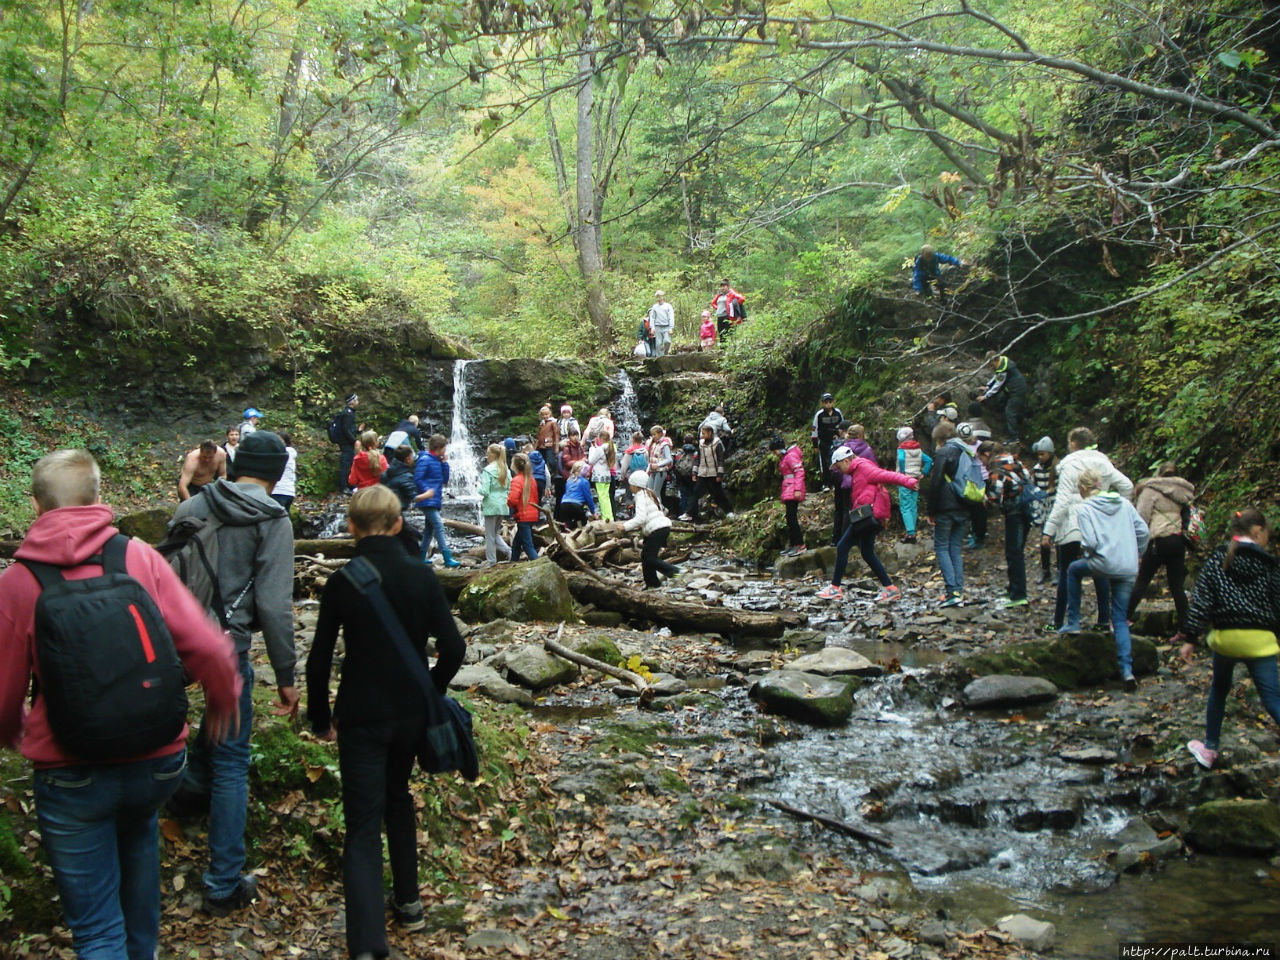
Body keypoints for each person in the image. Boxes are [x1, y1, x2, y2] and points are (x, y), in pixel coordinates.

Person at [0, 450, 240, 960]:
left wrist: (15, 731)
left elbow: (4, 690)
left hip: (70, 768)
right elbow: (210, 644)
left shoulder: (18, 583)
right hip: (155, 758)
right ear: (98, 496)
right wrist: (222, 701)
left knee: (95, 931)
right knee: (138, 850)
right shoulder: (137, 557)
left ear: (36, 505)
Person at [306, 485, 465, 960]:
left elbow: (318, 660)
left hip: (361, 715)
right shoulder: (421, 575)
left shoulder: (342, 581)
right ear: (398, 524)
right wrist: (431, 689)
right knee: (398, 797)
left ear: (352, 528)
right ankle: (410, 904)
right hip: (411, 715)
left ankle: (368, 944)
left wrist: (320, 719)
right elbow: (454, 649)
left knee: (360, 824)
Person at [169, 431, 297, 915]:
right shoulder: (272, 517)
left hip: (177, 647)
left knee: (213, 744)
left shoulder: (191, 508)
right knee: (232, 762)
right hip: (228, 650)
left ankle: (187, 791)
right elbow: (274, 604)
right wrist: (286, 674)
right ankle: (223, 882)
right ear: (278, 470)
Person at [1181, 508, 1280, 770]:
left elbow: (1202, 599)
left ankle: (1210, 748)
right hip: (1261, 641)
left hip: (1226, 639)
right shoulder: (1270, 565)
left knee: (1219, 689)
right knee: (1272, 699)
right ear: (1257, 532)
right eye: (1266, 535)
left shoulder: (1218, 559)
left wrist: (1191, 637)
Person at [1060, 470, 1150, 690]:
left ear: (1082, 489)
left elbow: (1089, 542)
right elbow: (1144, 532)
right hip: (1128, 566)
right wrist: (1135, 553)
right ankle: (1127, 671)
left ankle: (1073, 622)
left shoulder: (1085, 508)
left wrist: (1092, 555)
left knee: (1073, 570)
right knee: (1119, 620)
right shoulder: (1124, 503)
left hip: (1103, 563)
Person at [1042, 426, 1134, 631]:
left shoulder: (1068, 465)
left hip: (1072, 525)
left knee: (1066, 570)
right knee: (1099, 571)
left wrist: (1049, 530)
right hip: (1099, 522)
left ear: (1073, 444)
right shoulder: (1104, 463)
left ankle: (1059, 621)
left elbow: (1063, 500)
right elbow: (1127, 486)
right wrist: (1117, 509)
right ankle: (1103, 620)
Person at [816, 447, 918, 603]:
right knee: (867, 552)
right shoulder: (857, 471)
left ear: (846, 460)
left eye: (838, 467)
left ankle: (835, 588)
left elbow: (887, 475)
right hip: (869, 517)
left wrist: (908, 481)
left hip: (866, 517)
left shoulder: (864, 468)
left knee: (842, 546)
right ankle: (890, 589)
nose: (839, 471)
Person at [1128, 462, 1195, 639]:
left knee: (1142, 581)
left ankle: (1122, 619)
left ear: (1159, 474)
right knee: (1177, 587)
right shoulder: (1183, 492)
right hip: (1178, 541)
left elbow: (1141, 518)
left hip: (1159, 540)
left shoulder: (1151, 490)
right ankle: (1184, 629)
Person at [927, 421, 973, 607]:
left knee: (942, 547)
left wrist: (931, 511)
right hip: (965, 505)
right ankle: (958, 591)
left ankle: (951, 591)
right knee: (955, 548)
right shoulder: (967, 451)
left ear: (940, 439)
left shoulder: (943, 452)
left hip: (946, 507)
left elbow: (936, 482)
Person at [991, 446, 1036, 608]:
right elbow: (1030, 480)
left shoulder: (997, 469)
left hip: (1014, 513)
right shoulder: (1018, 464)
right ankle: (1012, 588)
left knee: (1014, 553)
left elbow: (994, 495)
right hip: (1028, 509)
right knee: (1017, 550)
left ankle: (1018, 594)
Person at [619, 471, 679, 588]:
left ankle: (674, 572)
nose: (630, 487)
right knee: (645, 557)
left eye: (630, 485)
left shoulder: (640, 496)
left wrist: (625, 526)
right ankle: (652, 584)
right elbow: (663, 510)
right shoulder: (650, 493)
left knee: (649, 558)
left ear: (636, 486)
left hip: (657, 530)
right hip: (661, 527)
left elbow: (640, 518)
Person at [413, 434, 458, 568]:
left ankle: (421, 557)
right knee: (438, 525)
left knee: (429, 529)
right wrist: (427, 491)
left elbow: (445, 480)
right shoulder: (425, 460)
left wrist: (445, 463)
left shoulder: (438, 460)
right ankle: (447, 557)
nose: (446, 450)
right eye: (445, 447)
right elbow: (418, 478)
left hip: (435, 499)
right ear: (439, 447)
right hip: (427, 500)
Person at [976, 355, 1030, 442]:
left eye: (991, 364)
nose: (991, 367)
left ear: (995, 361)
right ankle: (1009, 425)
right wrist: (988, 386)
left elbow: (998, 385)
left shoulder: (1004, 369)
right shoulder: (1002, 363)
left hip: (1017, 391)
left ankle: (1014, 438)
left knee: (1010, 412)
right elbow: (996, 377)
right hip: (1010, 389)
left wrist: (985, 396)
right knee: (1001, 402)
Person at [477, 444, 513, 564]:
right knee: (495, 533)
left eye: (488, 453)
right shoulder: (506, 469)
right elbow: (509, 488)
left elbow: (485, 491)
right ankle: (509, 551)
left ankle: (491, 561)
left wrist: (477, 485)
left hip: (491, 506)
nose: (486, 456)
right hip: (503, 505)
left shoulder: (488, 470)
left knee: (489, 536)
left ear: (492, 455)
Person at [771, 437, 807, 557]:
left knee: (792, 518)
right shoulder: (785, 457)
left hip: (793, 489)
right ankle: (793, 545)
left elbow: (799, 471)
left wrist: (797, 489)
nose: (774, 454)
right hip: (788, 488)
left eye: (774, 451)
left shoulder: (790, 456)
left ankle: (800, 544)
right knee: (789, 518)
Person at [691, 425, 735, 522]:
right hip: (702, 472)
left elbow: (720, 459)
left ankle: (729, 511)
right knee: (696, 491)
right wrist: (694, 472)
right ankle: (690, 514)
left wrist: (719, 474)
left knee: (718, 493)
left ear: (710, 433)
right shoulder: (701, 444)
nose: (702, 436)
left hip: (714, 472)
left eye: (704, 433)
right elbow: (698, 458)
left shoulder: (717, 443)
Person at [895, 427, 931, 543]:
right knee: (913, 505)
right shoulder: (918, 449)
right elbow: (929, 460)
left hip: (904, 480)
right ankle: (913, 530)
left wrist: (903, 473)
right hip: (916, 479)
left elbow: (901, 459)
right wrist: (923, 473)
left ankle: (910, 533)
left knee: (905, 506)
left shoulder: (902, 449)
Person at [1030, 436, 1058, 583]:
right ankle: (1045, 571)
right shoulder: (1036, 469)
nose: (1040, 457)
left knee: (1058, 540)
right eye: (1039, 454)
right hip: (1043, 507)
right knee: (1044, 541)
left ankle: (1060, 570)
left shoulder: (1057, 468)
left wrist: (1050, 492)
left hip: (1055, 506)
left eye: (1043, 454)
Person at [507, 453, 540, 561]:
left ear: (514, 466)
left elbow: (512, 499)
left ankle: (540, 565)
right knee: (516, 544)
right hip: (532, 515)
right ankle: (513, 563)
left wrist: (507, 503)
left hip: (523, 516)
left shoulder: (517, 480)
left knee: (527, 546)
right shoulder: (531, 479)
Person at [810, 393, 844, 490]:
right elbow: (814, 430)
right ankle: (825, 483)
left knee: (836, 460)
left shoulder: (838, 413)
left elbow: (842, 426)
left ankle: (835, 482)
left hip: (836, 442)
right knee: (824, 462)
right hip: (824, 442)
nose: (828, 404)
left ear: (833, 402)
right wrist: (815, 445)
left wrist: (841, 437)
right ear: (822, 403)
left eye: (830, 402)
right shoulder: (819, 415)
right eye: (826, 402)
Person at [556, 462, 599, 529]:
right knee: (583, 523)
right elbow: (588, 498)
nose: (589, 473)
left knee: (569, 525)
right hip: (576, 505)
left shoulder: (569, 480)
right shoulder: (584, 482)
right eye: (587, 471)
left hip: (564, 504)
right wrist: (593, 512)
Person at [587, 438, 617, 524]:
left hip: (599, 477)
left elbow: (591, 461)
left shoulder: (600, 449)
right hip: (607, 476)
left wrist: (592, 449)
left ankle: (605, 517)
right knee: (606, 497)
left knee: (602, 497)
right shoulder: (611, 447)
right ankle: (610, 516)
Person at [381, 445, 419, 511]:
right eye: (412, 456)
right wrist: (428, 494)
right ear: (408, 459)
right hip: (395, 508)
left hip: (385, 505)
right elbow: (414, 497)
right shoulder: (406, 476)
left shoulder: (387, 471)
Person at [557, 427, 587, 505]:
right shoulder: (567, 448)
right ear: (569, 437)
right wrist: (579, 462)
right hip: (569, 474)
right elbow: (567, 462)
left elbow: (584, 456)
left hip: (579, 474)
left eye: (576, 435)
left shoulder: (579, 447)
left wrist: (583, 460)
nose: (575, 437)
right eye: (573, 435)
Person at [337, 394, 360, 494]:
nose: (358, 402)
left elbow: (349, 429)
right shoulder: (348, 414)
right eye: (357, 400)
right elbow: (346, 430)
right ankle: (344, 487)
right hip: (346, 443)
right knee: (346, 465)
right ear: (352, 402)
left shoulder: (349, 413)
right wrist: (354, 441)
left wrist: (357, 431)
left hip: (347, 442)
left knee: (349, 463)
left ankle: (350, 485)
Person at [673, 434, 699, 521]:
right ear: (693, 441)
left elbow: (675, 464)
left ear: (684, 441)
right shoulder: (696, 452)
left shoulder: (680, 452)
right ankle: (694, 514)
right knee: (693, 495)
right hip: (692, 475)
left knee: (683, 494)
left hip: (682, 477)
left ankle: (682, 513)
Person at [273, 431, 298, 511]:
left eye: (280, 441)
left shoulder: (281, 455)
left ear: (285, 442)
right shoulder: (290, 454)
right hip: (289, 491)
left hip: (278, 490)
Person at [646, 425, 673, 498]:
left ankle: (659, 508)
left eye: (654, 434)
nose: (653, 436)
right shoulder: (653, 444)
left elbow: (669, 459)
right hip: (652, 471)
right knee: (649, 491)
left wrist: (658, 464)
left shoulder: (665, 444)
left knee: (656, 492)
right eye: (652, 435)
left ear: (660, 434)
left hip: (661, 471)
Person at [648, 290, 675, 357]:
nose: (659, 299)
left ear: (663, 297)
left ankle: (665, 353)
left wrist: (671, 327)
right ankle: (659, 357)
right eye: (657, 297)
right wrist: (652, 328)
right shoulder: (654, 307)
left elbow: (671, 317)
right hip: (658, 326)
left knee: (667, 341)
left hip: (666, 326)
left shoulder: (668, 306)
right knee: (658, 344)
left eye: (660, 297)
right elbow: (652, 318)